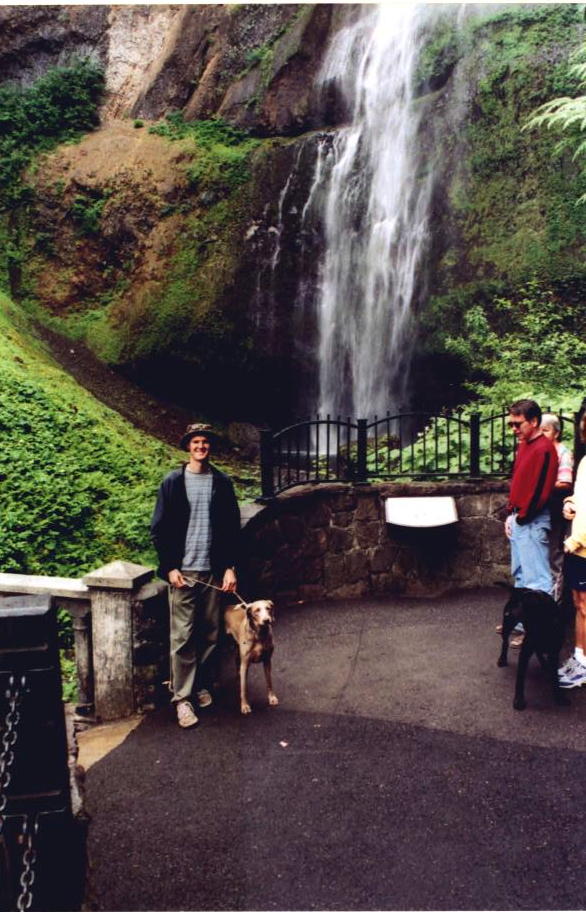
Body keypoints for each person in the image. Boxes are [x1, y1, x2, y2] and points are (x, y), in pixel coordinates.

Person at [151, 423, 240, 728]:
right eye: (196, 442)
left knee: (211, 634)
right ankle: (182, 699)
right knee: (183, 637)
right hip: (183, 572)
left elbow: (232, 528)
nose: (201, 446)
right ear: (188, 446)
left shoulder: (222, 483)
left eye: (205, 442)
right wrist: (170, 567)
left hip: (212, 572)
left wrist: (229, 567)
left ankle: (200, 684)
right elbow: (159, 529)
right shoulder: (173, 482)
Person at [504, 399, 559, 605]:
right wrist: (511, 515)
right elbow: (519, 483)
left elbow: (540, 490)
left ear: (534, 421)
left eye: (518, 424)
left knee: (537, 580)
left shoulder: (544, 449)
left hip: (531, 519)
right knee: (520, 576)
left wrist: (522, 517)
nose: (514, 429)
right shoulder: (525, 445)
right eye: (511, 424)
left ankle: (541, 624)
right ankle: (522, 620)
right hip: (520, 517)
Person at [557, 411, 586, 688]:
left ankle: (584, 664)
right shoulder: (585, 462)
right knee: (579, 603)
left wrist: (575, 540)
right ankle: (579, 657)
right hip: (578, 547)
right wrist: (569, 503)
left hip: (582, 545)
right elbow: (581, 498)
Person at [540, 413, 574, 603]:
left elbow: (565, 482)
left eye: (546, 430)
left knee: (554, 554)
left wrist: (540, 485)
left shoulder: (563, 453)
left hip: (555, 509)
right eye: (540, 430)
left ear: (557, 433)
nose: (542, 434)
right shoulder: (538, 450)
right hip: (539, 509)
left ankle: (555, 601)